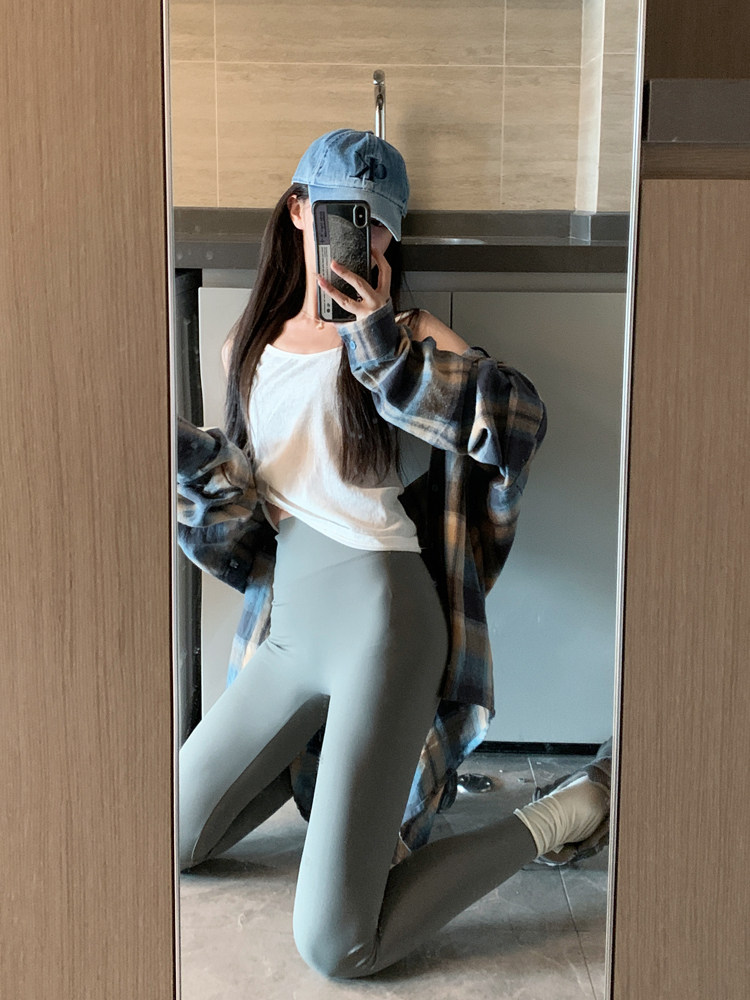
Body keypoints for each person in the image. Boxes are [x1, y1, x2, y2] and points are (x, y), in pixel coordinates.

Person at [176, 129, 611, 979]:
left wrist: (382, 348)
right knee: (175, 834)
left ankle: (566, 811)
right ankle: (327, 781)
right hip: (288, 632)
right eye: (344, 213)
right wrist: (195, 465)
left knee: (338, 944)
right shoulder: (246, 346)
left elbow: (519, 422)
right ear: (298, 211)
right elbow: (249, 515)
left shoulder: (405, 331)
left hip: (387, 624)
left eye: (378, 223)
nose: (362, 236)